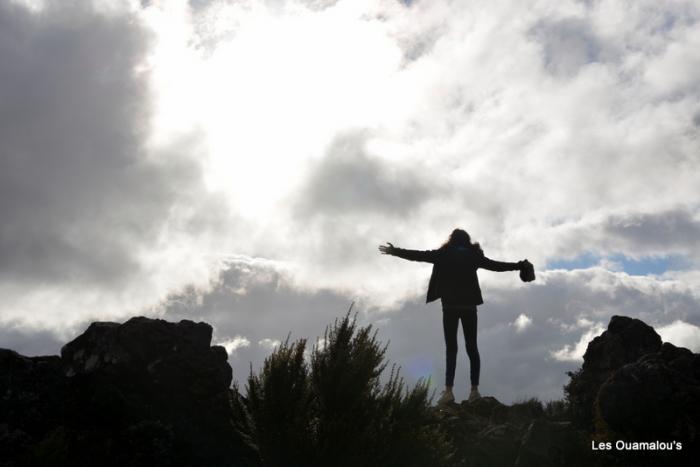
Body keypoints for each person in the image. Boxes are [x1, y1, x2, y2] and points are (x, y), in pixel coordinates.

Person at [378, 228, 531, 406]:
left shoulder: (443, 254)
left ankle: (449, 392)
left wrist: (394, 251)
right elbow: (497, 266)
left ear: (451, 240)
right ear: (467, 241)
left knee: (452, 349)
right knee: (472, 348)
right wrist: (519, 265)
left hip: (450, 307)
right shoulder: (474, 256)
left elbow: (418, 255)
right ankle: (474, 391)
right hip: (469, 307)